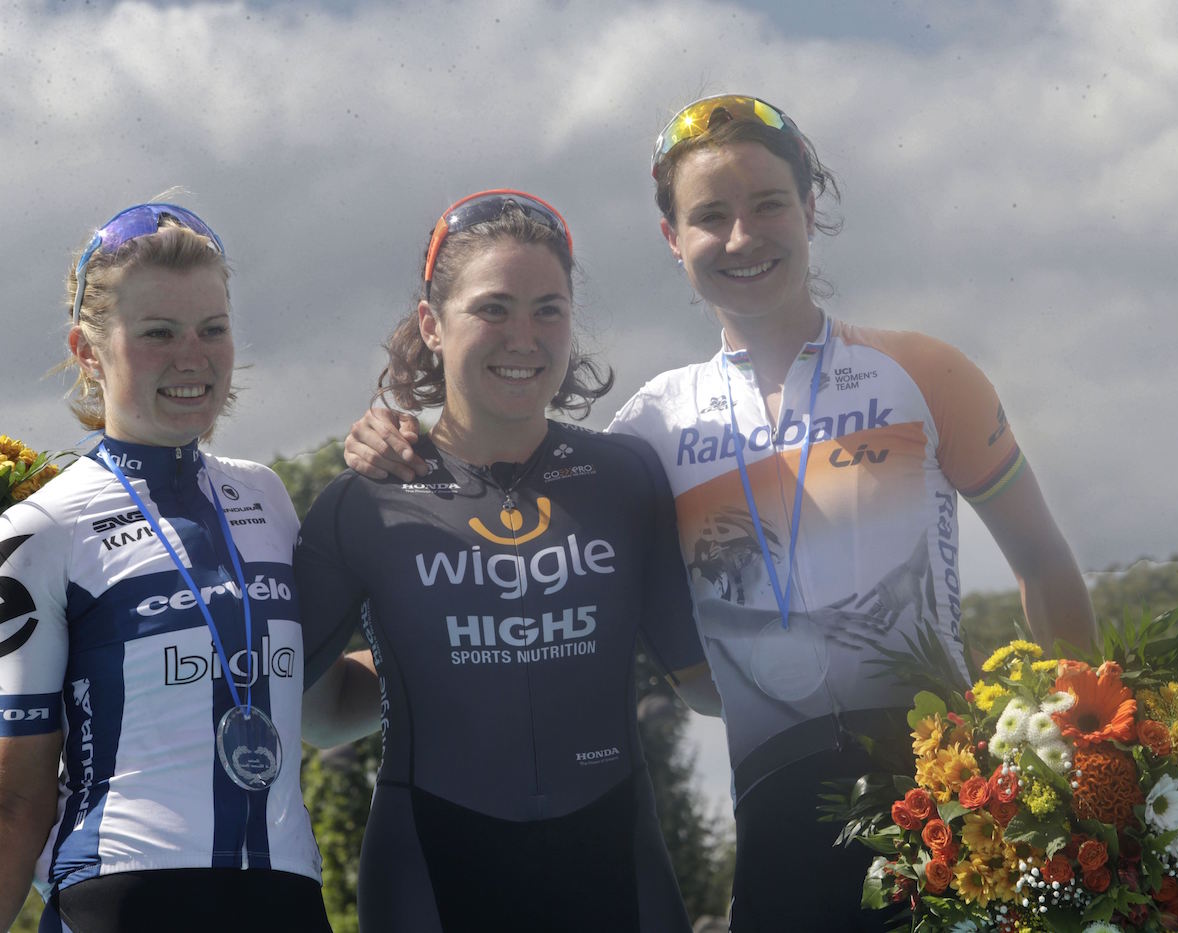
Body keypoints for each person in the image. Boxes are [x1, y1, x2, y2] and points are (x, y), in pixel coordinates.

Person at [346, 96, 1096, 932]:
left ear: (810, 207)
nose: (743, 237)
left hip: (957, 818)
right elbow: (500, 580)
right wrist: (400, 443)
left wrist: (1097, 766)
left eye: (768, 204)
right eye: (711, 216)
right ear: (673, 238)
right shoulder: (648, 433)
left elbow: (1042, 563)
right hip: (779, 839)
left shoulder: (922, 372)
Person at [294, 190, 714, 933]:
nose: (524, 337)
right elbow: (313, 716)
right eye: (493, 309)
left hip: (614, 862)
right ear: (432, 324)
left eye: (549, 310)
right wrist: (411, 670)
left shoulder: (626, 479)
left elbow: (708, 684)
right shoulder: (364, 503)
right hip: (430, 871)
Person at [0, 203, 330, 932]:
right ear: (87, 352)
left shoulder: (268, 497)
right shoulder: (41, 528)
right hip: (123, 898)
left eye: (212, 329)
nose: (193, 357)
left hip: (287, 896)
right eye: (158, 333)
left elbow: (325, 701)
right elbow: (15, 801)